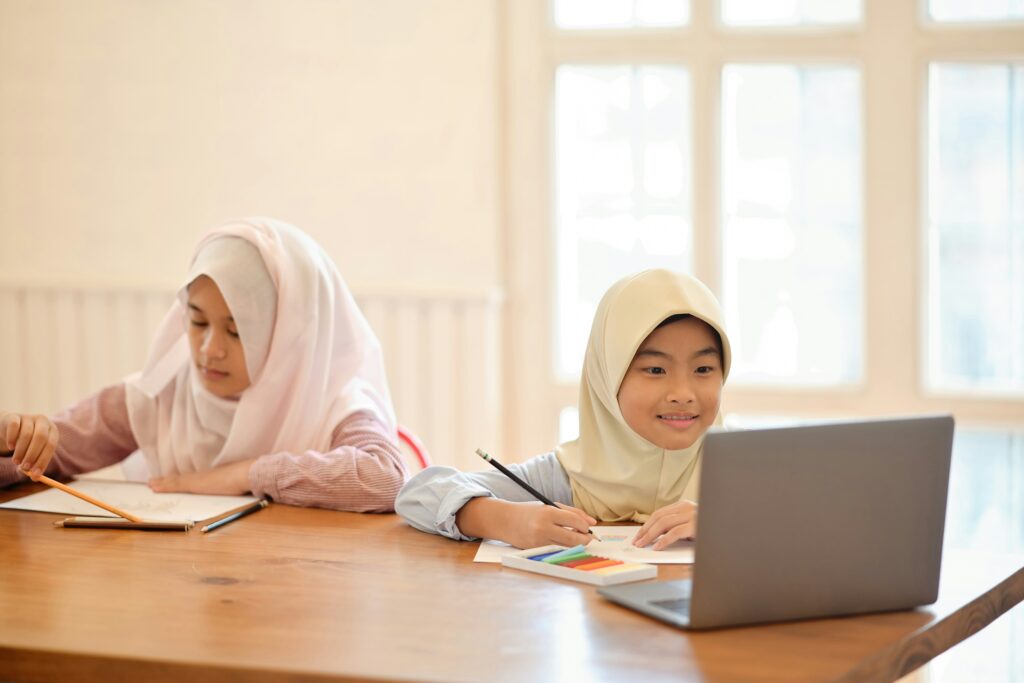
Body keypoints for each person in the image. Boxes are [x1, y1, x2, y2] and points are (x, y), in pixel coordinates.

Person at [0, 218, 406, 512]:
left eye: (236, 331)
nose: (210, 350)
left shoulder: (333, 402)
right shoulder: (163, 394)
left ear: (287, 337)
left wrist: (245, 475)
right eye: (196, 322)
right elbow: (42, 457)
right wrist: (16, 439)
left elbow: (384, 479)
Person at [396, 268, 730, 549]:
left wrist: (726, 521)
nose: (683, 394)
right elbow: (418, 495)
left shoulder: (743, 466)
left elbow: (782, 519)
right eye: (655, 370)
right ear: (606, 376)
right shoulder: (566, 476)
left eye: (703, 369)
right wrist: (506, 520)